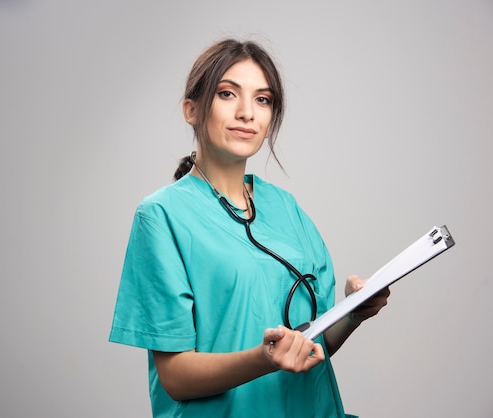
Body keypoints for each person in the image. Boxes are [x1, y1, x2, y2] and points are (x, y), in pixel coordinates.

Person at [109, 38, 390, 418]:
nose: (247, 113)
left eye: (263, 100)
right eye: (228, 94)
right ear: (191, 110)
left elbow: (311, 344)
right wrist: (265, 358)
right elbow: (175, 377)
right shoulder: (161, 216)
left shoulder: (284, 207)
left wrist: (355, 312)